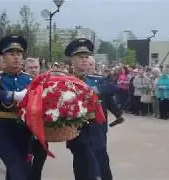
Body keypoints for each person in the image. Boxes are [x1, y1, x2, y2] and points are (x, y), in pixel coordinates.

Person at [0, 35, 33, 180]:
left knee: (19, 168)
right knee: (17, 167)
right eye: (11, 54)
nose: (16, 58)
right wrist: (13, 96)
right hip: (3, 130)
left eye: (19, 54)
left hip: (25, 131)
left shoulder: (29, 79)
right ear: (3, 58)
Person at [65, 38, 104, 180]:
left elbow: (113, 88)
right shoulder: (65, 81)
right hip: (76, 129)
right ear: (72, 61)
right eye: (80, 57)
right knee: (85, 158)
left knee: (87, 162)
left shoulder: (96, 80)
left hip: (95, 129)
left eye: (86, 57)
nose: (84, 60)